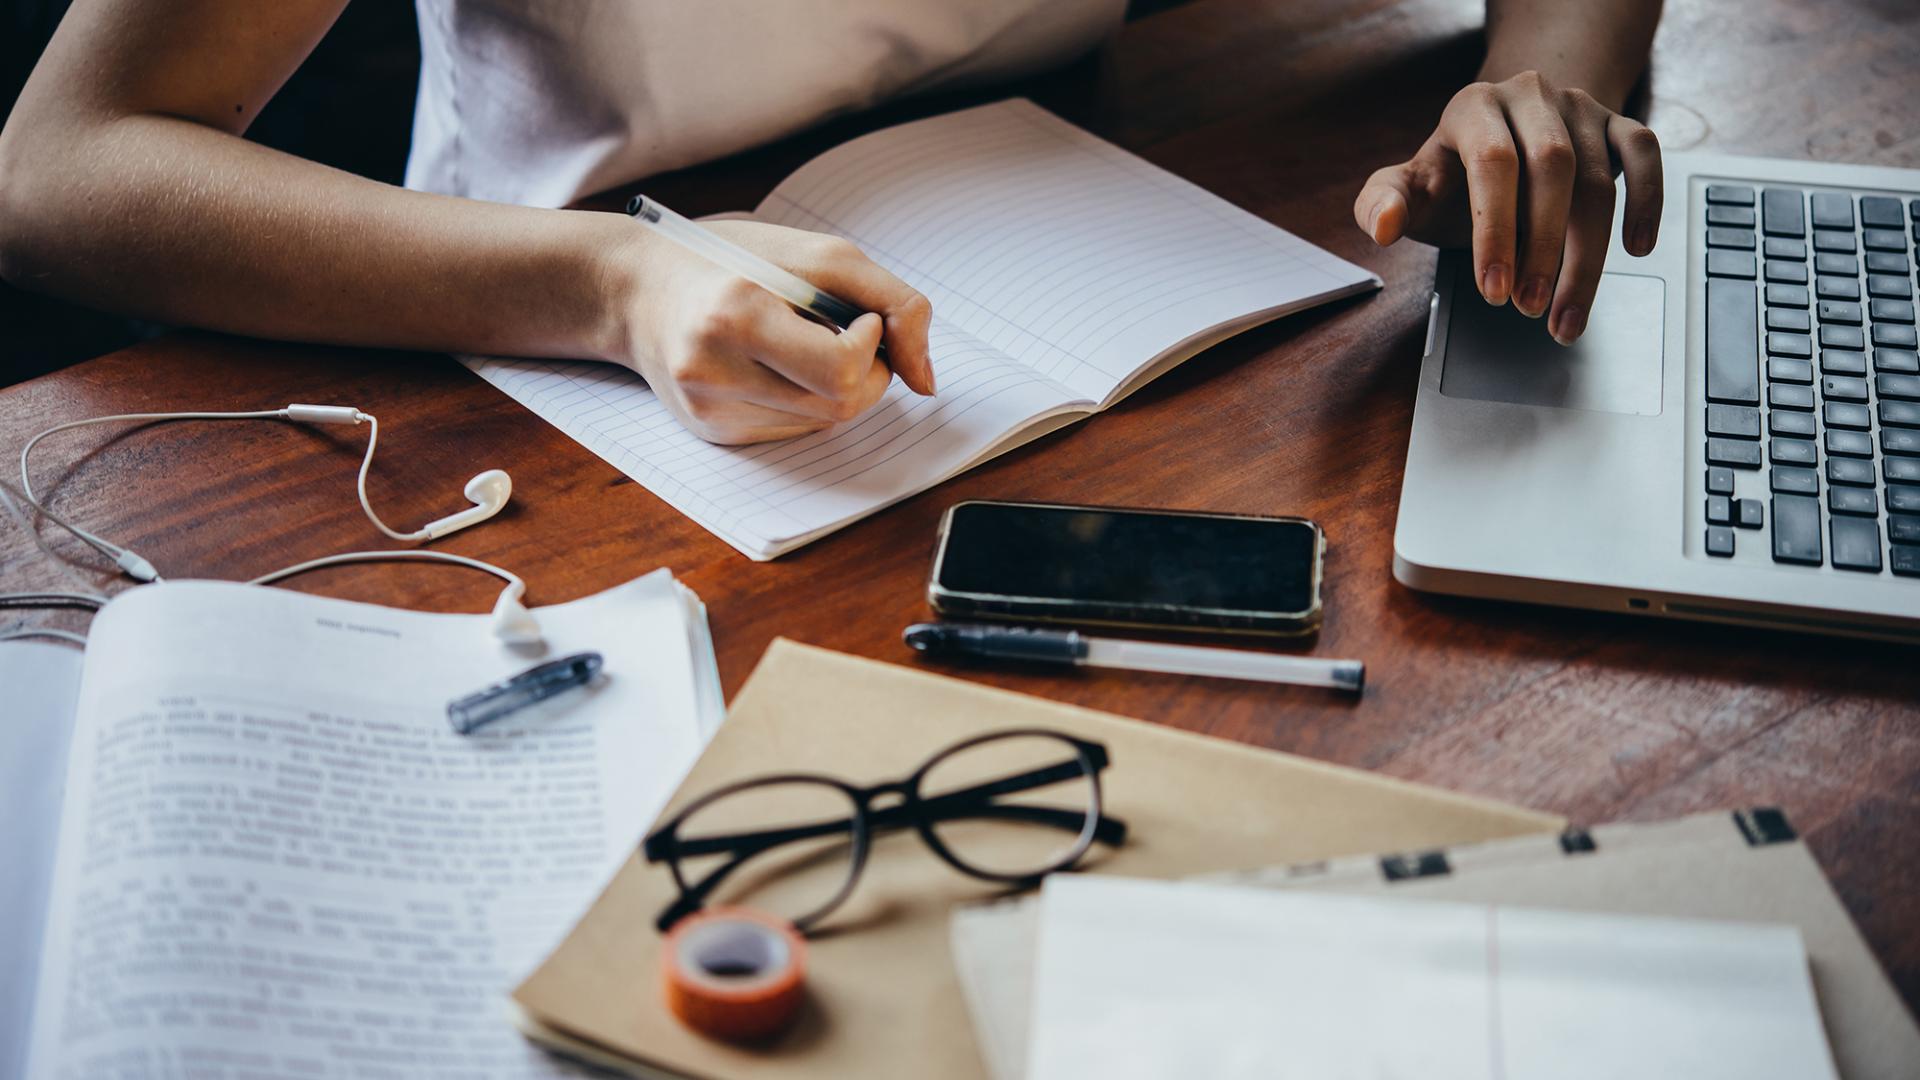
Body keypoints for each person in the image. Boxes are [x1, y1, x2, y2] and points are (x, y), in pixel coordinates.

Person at [0, 0, 1662, 447]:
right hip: (526, 353)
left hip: (1091, 260)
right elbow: (62, 166)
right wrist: (612, 285)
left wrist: (1539, 85)